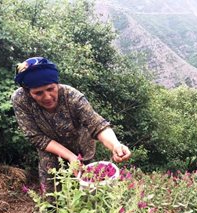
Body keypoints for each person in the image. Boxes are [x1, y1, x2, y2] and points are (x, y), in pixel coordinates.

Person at [12, 57, 131, 192]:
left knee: (91, 190)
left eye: (51, 89)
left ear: (57, 84)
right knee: (53, 197)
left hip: (81, 148)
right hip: (50, 151)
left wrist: (115, 145)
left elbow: (97, 124)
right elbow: (36, 137)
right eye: (38, 93)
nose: (47, 97)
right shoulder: (20, 99)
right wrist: (70, 157)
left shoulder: (72, 97)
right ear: (28, 92)